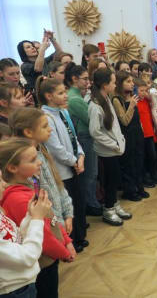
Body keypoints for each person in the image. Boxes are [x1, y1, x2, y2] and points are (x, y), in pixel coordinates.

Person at [0, 138, 75, 298]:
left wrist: (66, 240)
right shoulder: (17, 199)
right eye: (33, 160)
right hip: (42, 263)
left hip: (48, 257)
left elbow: (50, 216)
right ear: (13, 167)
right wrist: (63, 252)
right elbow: (43, 235)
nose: (39, 162)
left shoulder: (31, 183)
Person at [8, 107, 75, 243]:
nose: (50, 129)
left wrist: (67, 213)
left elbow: (57, 184)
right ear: (28, 132)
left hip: (58, 224)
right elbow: (40, 202)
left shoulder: (43, 150)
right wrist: (58, 226)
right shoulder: (26, 165)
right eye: (45, 126)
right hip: (46, 231)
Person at [38, 78, 87, 253]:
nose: (65, 96)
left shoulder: (63, 112)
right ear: (49, 96)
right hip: (63, 171)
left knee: (79, 204)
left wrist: (80, 156)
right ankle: (72, 240)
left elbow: (73, 138)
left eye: (65, 92)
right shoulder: (45, 116)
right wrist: (74, 161)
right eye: (61, 93)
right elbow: (55, 148)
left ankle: (81, 236)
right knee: (69, 206)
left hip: (74, 166)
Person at [88, 68, 131, 226]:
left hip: (115, 149)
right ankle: (108, 209)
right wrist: (113, 144)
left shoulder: (106, 98)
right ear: (105, 85)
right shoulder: (95, 105)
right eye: (113, 82)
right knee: (110, 181)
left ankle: (114, 204)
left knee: (116, 178)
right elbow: (95, 132)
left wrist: (120, 141)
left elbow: (113, 126)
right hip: (107, 151)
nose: (115, 85)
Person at [65, 63, 103, 217]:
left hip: (85, 136)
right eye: (85, 79)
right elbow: (91, 120)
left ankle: (92, 201)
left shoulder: (76, 96)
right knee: (90, 173)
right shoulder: (74, 99)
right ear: (74, 79)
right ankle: (91, 204)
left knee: (91, 173)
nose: (88, 82)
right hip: (85, 138)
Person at [0, 186, 51, 298]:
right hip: (13, 291)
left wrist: (31, 216)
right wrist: (37, 219)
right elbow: (27, 256)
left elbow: (18, 238)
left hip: (23, 285)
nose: (4, 184)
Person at [112, 71, 149, 201]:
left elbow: (136, 118)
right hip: (127, 135)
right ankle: (130, 191)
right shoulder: (117, 99)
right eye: (128, 81)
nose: (132, 84)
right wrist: (132, 105)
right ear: (119, 84)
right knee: (129, 163)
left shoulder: (132, 96)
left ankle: (139, 187)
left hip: (137, 133)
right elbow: (125, 121)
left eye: (132, 81)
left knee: (139, 161)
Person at [135, 78, 157, 187]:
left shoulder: (147, 100)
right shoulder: (135, 102)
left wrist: (147, 95)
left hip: (150, 133)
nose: (144, 93)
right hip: (141, 134)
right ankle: (145, 177)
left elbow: (154, 98)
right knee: (143, 158)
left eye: (145, 90)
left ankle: (153, 174)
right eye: (141, 91)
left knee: (153, 156)